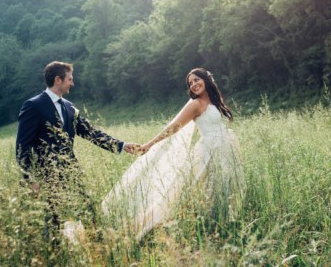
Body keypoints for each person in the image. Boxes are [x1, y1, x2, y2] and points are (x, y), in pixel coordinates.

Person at [101, 67, 244, 239]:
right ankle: (193, 228)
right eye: (190, 83)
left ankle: (223, 224)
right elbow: (173, 127)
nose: (194, 84)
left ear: (206, 79)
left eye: (197, 80)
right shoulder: (195, 104)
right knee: (197, 190)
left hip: (225, 149)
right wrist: (149, 144)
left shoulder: (216, 101)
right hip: (208, 151)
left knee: (223, 186)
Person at [15, 61, 140, 238]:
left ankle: (98, 246)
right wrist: (30, 179)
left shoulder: (69, 106)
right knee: (53, 220)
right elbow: (22, 146)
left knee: (88, 209)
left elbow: (90, 132)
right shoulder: (33, 105)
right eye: (70, 79)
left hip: (71, 170)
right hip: (46, 175)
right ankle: (55, 256)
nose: (72, 83)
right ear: (58, 79)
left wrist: (121, 145)